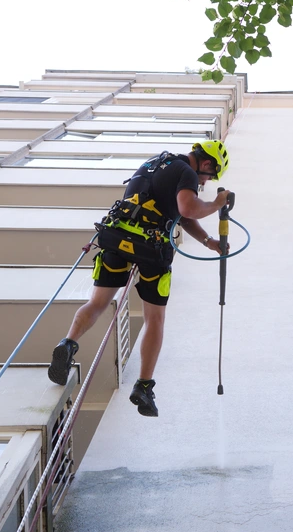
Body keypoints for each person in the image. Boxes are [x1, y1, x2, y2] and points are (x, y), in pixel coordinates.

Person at [47, 140, 232, 417]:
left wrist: (208, 241)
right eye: (209, 176)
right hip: (150, 248)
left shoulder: (154, 163)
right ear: (206, 163)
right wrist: (217, 203)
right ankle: (144, 385)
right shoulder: (188, 173)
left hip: (116, 237)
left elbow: (180, 214)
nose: (204, 182)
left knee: (97, 303)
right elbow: (188, 208)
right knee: (154, 319)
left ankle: (68, 343)